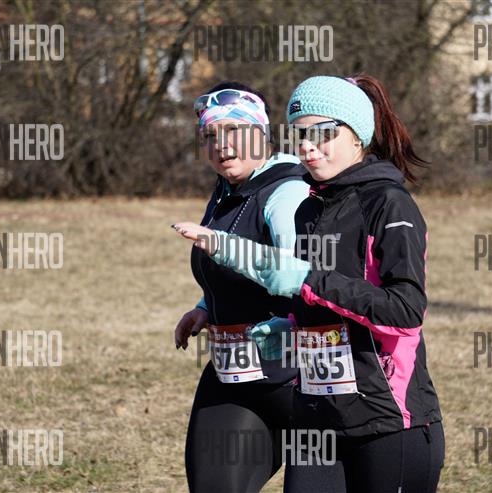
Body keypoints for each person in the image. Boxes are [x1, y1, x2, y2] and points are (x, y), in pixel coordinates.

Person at [173, 75, 444, 493]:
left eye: (322, 133)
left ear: (357, 135)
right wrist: (288, 327)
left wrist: (300, 280)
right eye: (300, 135)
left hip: (383, 417)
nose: (307, 147)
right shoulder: (310, 208)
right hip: (316, 409)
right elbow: (312, 297)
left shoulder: (385, 203)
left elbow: (404, 310)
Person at [174, 81, 314, 493]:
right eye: (209, 135)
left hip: (296, 379)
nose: (221, 144)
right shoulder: (228, 190)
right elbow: (233, 267)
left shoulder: (287, 191)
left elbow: (303, 277)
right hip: (234, 373)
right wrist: (205, 307)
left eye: (234, 130)